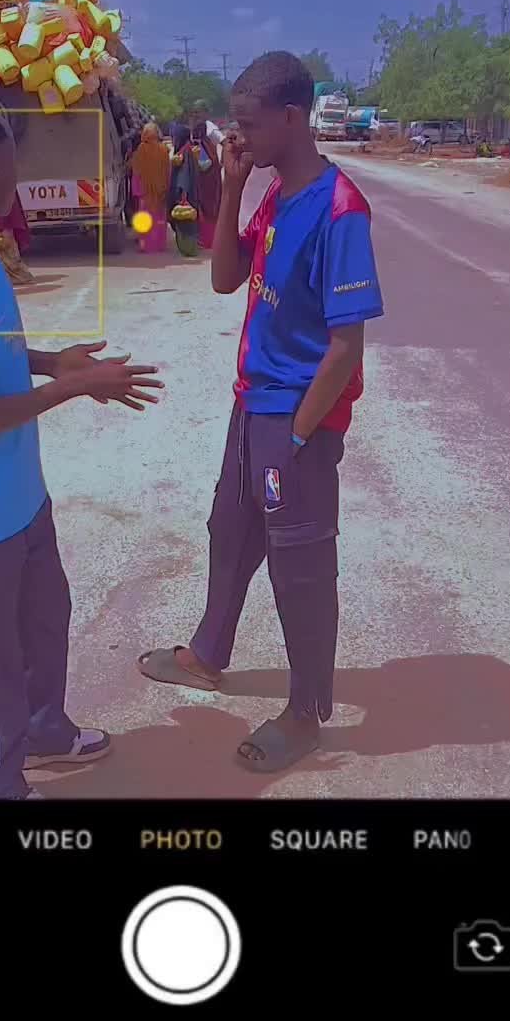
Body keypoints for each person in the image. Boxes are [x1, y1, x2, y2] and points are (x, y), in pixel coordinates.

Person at [0, 95, 164, 799]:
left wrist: (53, 363)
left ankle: (46, 730)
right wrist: (78, 387)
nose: (19, 165)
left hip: (19, 492)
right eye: (14, 153)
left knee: (46, 619)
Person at [138, 52, 384, 773]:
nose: (235, 136)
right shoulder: (275, 191)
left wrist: (300, 435)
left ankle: (305, 713)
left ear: (292, 118)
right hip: (252, 404)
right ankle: (207, 654)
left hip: (296, 419)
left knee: (299, 565)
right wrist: (234, 185)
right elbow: (224, 278)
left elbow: (345, 346)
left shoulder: (340, 210)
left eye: (247, 124)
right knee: (231, 527)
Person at [130, 122, 170, 253]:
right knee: (159, 218)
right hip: (160, 191)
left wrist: (137, 191)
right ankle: (159, 244)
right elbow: (168, 171)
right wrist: (166, 187)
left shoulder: (141, 150)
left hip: (145, 192)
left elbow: (136, 172)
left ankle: (146, 245)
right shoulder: (163, 150)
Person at [168, 123, 200, 258]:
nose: (173, 140)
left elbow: (184, 175)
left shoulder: (184, 152)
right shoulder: (187, 148)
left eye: (174, 137)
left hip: (184, 194)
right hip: (187, 191)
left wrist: (183, 195)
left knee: (184, 222)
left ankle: (187, 248)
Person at [191, 120, 222, 249]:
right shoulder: (210, 143)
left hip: (206, 183)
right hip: (214, 181)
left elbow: (204, 165)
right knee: (213, 209)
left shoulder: (201, 145)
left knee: (207, 210)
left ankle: (207, 240)